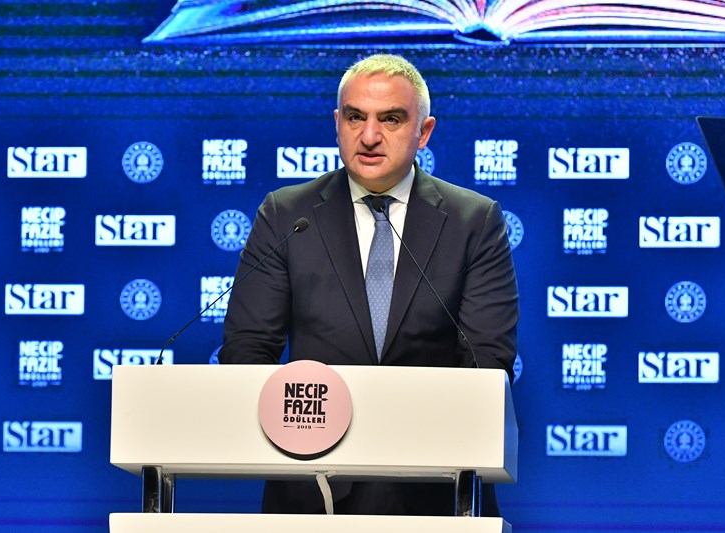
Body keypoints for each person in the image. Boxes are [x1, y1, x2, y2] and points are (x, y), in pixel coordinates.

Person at [219, 54, 519, 517]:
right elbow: (247, 350)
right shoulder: (286, 214)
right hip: (310, 486)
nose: (370, 136)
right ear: (337, 123)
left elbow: (486, 363)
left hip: (435, 491)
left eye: (391, 119)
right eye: (355, 117)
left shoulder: (474, 221)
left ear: (424, 132)